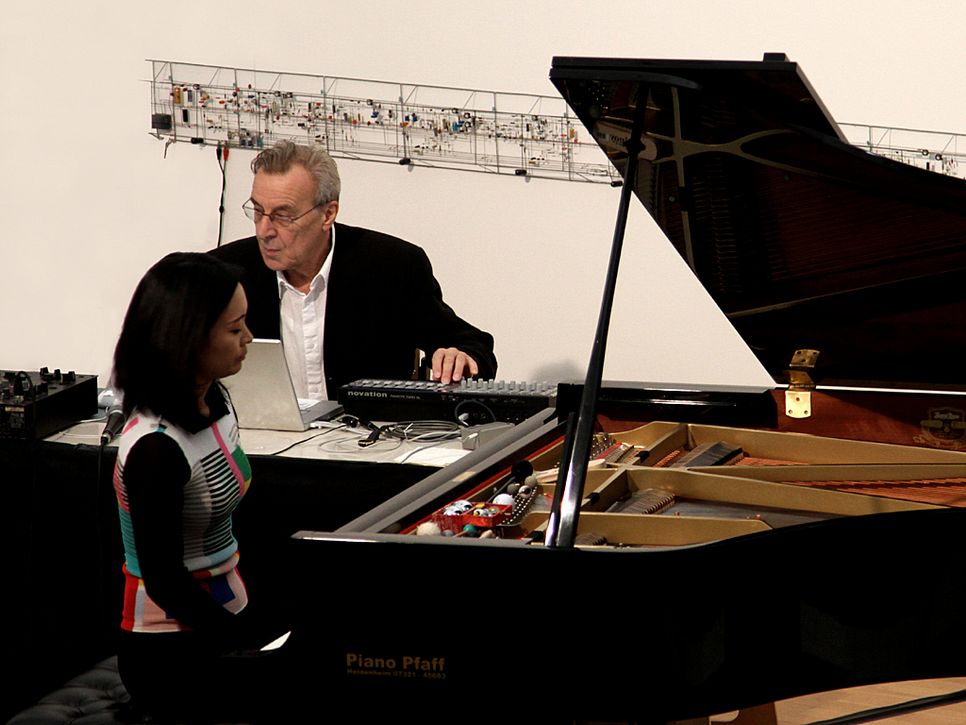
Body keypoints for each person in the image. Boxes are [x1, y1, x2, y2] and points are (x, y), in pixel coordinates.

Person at [111, 252, 288, 721]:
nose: (248, 339)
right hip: (171, 648)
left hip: (225, 614)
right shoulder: (155, 449)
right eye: (235, 329)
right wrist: (250, 642)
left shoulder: (213, 399)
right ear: (188, 337)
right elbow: (166, 582)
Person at [209, 140, 497, 401]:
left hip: (367, 436)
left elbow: (472, 345)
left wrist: (460, 357)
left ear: (328, 214)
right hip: (259, 437)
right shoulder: (225, 273)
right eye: (258, 211)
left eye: (283, 216)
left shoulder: (391, 267)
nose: (264, 231)